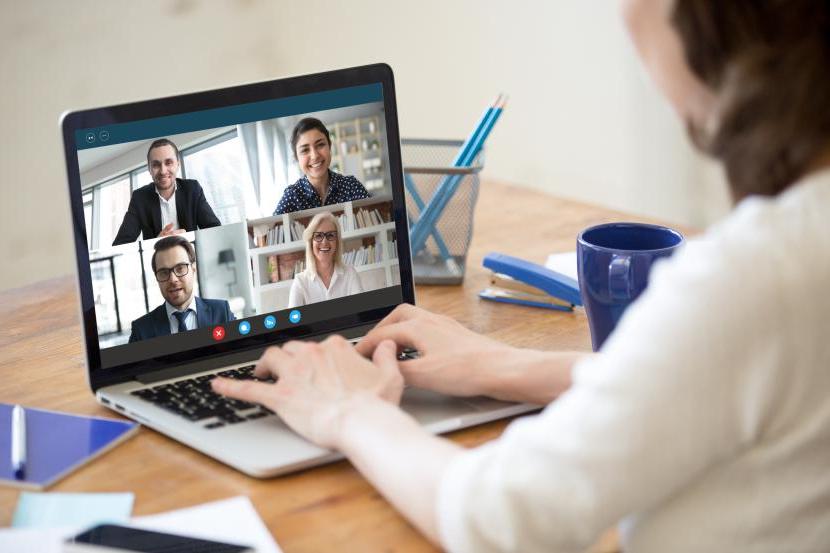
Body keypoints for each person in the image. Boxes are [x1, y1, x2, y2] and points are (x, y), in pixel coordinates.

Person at [214, 1, 830, 551]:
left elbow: (502, 518)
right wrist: (509, 365)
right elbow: (723, 378)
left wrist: (351, 412)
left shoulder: (758, 277)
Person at [112, 139, 221, 246]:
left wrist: (190, 239)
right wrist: (156, 243)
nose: (163, 171)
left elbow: (215, 231)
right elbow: (120, 245)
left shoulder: (192, 189)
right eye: (156, 165)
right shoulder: (139, 198)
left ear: (178, 164)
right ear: (149, 169)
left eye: (169, 162)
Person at [129, 235, 234, 342]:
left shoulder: (221, 311)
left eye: (180, 268)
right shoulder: (141, 330)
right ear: (156, 277)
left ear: (193, 269)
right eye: (164, 272)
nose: (173, 279)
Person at [273, 118, 370, 215]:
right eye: (305, 150)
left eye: (320, 145)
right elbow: (268, 227)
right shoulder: (292, 196)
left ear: (329, 146)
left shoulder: (351, 186)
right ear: (296, 157)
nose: (314, 156)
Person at [287, 211, 364, 307]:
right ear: (311, 243)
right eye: (318, 236)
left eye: (330, 235)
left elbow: (361, 313)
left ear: (337, 242)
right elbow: (294, 320)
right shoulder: (300, 282)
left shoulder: (350, 274)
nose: (324, 242)